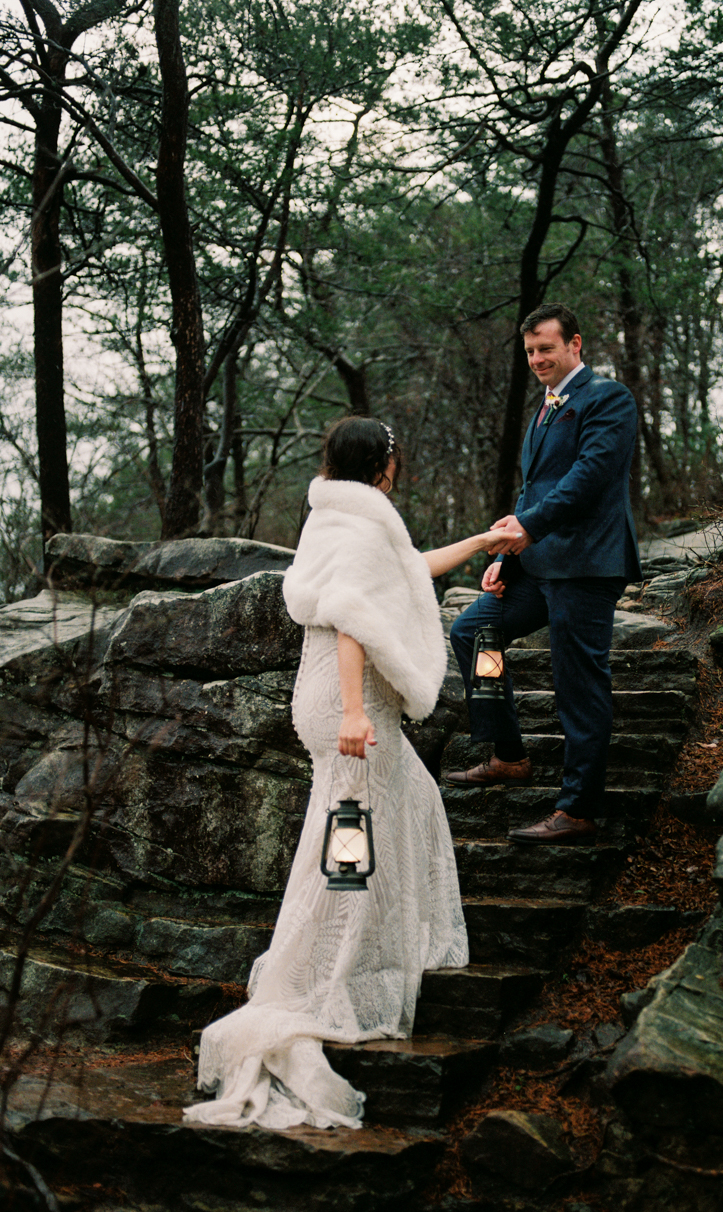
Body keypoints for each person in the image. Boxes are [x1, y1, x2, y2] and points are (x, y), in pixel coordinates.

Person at [185, 417, 502, 1130]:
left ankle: (376, 954)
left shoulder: (337, 520)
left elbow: (409, 571)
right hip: (348, 703)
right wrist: (357, 712)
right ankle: (327, 975)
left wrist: (481, 541)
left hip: (329, 698)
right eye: (396, 458)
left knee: (411, 801)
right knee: (350, 841)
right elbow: (353, 618)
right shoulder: (360, 530)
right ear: (384, 465)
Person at [446, 302, 642, 843]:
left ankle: (577, 809)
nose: (536, 359)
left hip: (586, 565)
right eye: (530, 351)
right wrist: (505, 556)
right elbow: (534, 490)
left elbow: (589, 476)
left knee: (578, 683)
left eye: (546, 348)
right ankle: (509, 755)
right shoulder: (545, 407)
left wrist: (527, 528)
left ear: (575, 344)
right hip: (537, 564)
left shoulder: (607, 397)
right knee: (473, 632)